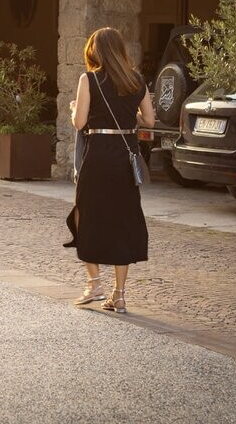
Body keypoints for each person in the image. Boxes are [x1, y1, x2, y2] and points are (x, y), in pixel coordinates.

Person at [65, 27, 154, 314]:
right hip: (125, 157)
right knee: (122, 221)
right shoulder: (136, 80)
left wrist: (74, 109)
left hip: (99, 155)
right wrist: (130, 112)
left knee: (85, 215)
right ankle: (120, 294)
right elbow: (149, 120)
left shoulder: (89, 79)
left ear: (96, 51)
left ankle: (94, 283)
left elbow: (79, 122)